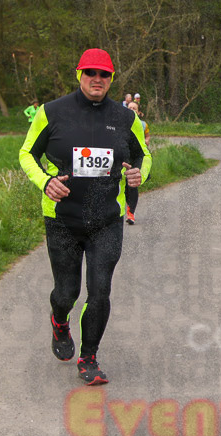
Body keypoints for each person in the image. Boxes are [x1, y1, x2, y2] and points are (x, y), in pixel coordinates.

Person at [18, 48, 151, 385]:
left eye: (104, 74)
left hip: (106, 219)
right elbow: (27, 153)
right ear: (79, 74)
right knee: (66, 293)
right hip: (63, 219)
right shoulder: (52, 112)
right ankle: (59, 322)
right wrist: (45, 182)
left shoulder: (126, 118)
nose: (97, 79)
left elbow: (143, 155)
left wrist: (139, 174)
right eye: (91, 73)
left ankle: (89, 358)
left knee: (100, 291)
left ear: (111, 79)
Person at [125, 118, 149, 225]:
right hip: (124, 159)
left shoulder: (143, 124)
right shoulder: (119, 122)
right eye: (129, 107)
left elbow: (147, 137)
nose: (131, 110)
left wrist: (146, 141)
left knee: (132, 185)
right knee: (124, 187)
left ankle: (131, 213)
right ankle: (127, 206)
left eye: (134, 108)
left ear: (138, 112)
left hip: (136, 158)